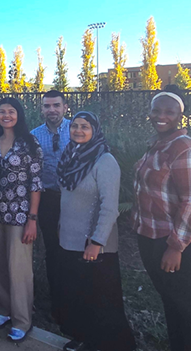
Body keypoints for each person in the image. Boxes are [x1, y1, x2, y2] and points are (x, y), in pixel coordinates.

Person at [134, 90, 191, 351]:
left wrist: (175, 247)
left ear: (181, 115)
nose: (161, 116)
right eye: (156, 110)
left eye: (169, 112)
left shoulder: (185, 149)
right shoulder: (158, 144)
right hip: (157, 237)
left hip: (189, 242)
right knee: (174, 305)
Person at [55, 111, 135, 351]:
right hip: (69, 239)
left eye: (85, 126)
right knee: (77, 293)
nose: (78, 130)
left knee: (101, 298)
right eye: (75, 126)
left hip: (94, 244)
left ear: (95, 130)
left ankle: (110, 345)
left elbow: (109, 207)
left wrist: (97, 241)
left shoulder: (104, 161)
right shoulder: (70, 155)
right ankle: (84, 337)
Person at [0, 97, 43, 342]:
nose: (6, 115)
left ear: (19, 115)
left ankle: (22, 320)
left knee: (19, 269)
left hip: (20, 215)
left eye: (11, 111)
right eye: (2, 111)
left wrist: (32, 219)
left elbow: (36, 183)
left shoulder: (29, 143)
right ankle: (4, 310)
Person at [30, 89, 70, 322]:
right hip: (47, 199)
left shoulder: (77, 129)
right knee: (52, 249)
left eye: (56, 105)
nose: (51, 110)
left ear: (65, 107)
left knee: (73, 248)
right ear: (42, 109)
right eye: (47, 106)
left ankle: (76, 296)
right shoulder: (34, 136)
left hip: (73, 199)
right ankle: (58, 301)